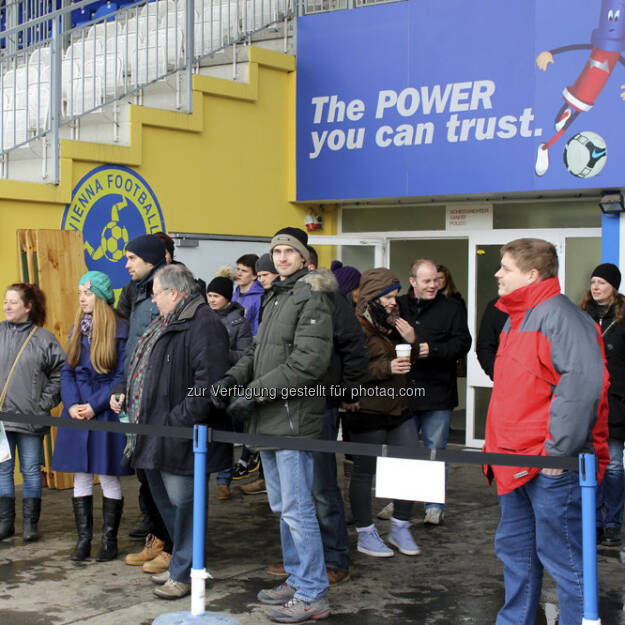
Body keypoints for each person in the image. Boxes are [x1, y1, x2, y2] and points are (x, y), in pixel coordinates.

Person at [485, 238, 609, 625]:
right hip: (514, 461)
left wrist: (558, 453)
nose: (497, 274)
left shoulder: (563, 317)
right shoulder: (515, 316)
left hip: (549, 465)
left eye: (505, 267)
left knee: (566, 559)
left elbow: (583, 386)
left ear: (532, 274)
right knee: (516, 554)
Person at [213, 227, 333, 623]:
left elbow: (307, 364)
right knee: (282, 507)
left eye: (289, 252)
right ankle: (298, 578)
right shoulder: (276, 295)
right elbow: (257, 350)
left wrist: (253, 393)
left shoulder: (311, 296)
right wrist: (233, 378)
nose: (281, 257)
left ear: (303, 257)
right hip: (269, 418)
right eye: (277, 251)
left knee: (299, 509)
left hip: (293, 419)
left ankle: (314, 591)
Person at [112, 263, 231, 599]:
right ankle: (182, 563)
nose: (153, 302)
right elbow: (139, 366)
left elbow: (207, 383)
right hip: (151, 432)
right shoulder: (163, 323)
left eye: (156, 295)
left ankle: (186, 573)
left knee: (185, 506)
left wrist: (179, 419)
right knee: (167, 506)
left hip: (181, 435)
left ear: (174, 293)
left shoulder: (202, 323)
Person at [52, 271, 131, 562]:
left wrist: (94, 406)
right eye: (80, 294)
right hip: (77, 413)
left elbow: (121, 375)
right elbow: (67, 370)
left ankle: (109, 541)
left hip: (103, 414)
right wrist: (71, 404)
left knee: (108, 475)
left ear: (101, 296)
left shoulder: (121, 328)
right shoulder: (79, 328)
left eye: (87, 293)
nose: (82, 298)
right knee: (81, 475)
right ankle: (83, 540)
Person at [344, 268, 420, 559]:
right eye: (387, 296)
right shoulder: (355, 326)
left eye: (395, 296)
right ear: (372, 297)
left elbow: (405, 360)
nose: (393, 302)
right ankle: (365, 532)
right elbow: (348, 371)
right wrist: (384, 369)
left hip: (399, 405)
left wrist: (411, 340)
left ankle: (401, 526)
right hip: (367, 408)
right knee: (364, 473)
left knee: (410, 465)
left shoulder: (394, 324)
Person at [392, 259, 471, 526]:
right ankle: (399, 501)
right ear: (412, 281)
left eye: (436, 280)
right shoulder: (398, 306)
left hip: (438, 392)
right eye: (426, 281)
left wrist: (430, 349)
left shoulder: (452, 307)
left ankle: (433, 504)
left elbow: (463, 343)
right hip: (403, 391)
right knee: (401, 449)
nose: (433, 285)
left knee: (434, 449)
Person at [112, 234, 173, 575]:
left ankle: (172, 544)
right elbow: (133, 349)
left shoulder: (167, 289)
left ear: (151, 260)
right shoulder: (136, 291)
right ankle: (157, 537)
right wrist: (123, 384)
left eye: (132, 258)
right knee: (145, 475)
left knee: (162, 477)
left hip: (157, 399)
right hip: (135, 395)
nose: (127, 264)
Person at [0, 283, 65, 542]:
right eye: (5, 301)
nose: (7, 306)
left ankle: (30, 525)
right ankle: (5, 523)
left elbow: (60, 374)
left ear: (28, 307)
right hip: (2, 420)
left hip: (31, 418)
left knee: (30, 470)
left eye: (13, 302)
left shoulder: (44, 339)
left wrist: (43, 404)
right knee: (3, 471)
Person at [580, 262, 625, 547]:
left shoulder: (622, 318)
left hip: (617, 402)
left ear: (614, 287)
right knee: (590, 465)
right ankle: (593, 521)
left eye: (602, 282)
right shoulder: (581, 316)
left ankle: (613, 523)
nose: (595, 287)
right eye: (593, 281)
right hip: (587, 403)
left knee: (614, 467)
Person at [206, 268, 253, 501]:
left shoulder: (239, 323)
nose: (212, 300)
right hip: (204, 382)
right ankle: (202, 476)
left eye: (216, 296)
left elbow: (245, 355)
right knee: (203, 433)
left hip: (227, 383)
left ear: (226, 297)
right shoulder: (202, 318)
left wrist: (222, 353)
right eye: (210, 296)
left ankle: (224, 480)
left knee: (224, 434)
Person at [476, 298, 509, 381]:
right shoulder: (495, 306)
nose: (500, 284)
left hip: (538, 386)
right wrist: (498, 374)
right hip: (504, 385)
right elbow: (485, 347)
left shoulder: (541, 306)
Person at [232, 253, 265, 336]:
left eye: (244, 271)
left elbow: (257, 328)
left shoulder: (260, 298)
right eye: (238, 269)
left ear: (254, 276)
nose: (239, 274)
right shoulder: (234, 294)